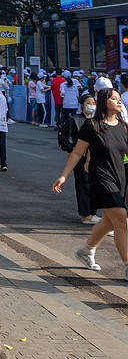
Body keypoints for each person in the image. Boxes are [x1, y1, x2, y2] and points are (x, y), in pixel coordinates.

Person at [53, 86, 128, 276]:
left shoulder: (123, 126)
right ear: (104, 102)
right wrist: (63, 176)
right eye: (114, 98)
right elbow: (77, 152)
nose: (119, 101)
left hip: (120, 176)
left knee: (109, 221)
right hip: (101, 176)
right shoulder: (92, 125)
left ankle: (86, 251)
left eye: (119, 98)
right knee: (121, 218)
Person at [58, 93, 98, 224]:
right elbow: (65, 136)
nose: (91, 106)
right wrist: (70, 150)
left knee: (94, 186)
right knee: (83, 184)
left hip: (95, 157)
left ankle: (93, 212)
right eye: (88, 103)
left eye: (93, 103)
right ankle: (86, 214)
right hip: (80, 157)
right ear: (82, 105)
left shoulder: (97, 120)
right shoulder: (75, 120)